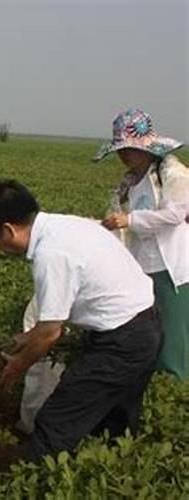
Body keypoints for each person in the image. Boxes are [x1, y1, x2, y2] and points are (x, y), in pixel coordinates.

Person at [0, 179, 161, 462]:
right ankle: (109, 470)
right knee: (115, 417)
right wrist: (23, 339)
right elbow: (50, 323)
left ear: (8, 230)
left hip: (122, 340)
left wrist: (19, 365)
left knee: (57, 420)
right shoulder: (64, 225)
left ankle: (30, 481)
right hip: (148, 323)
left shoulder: (51, 255)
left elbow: (50, 333)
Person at [95, 108, 189, 380]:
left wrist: (130, 220)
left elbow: (175, 214)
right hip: (142, 267)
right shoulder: (128, 181)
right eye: (121, 150)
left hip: (172, 268)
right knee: (149, 337)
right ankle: (151, 389)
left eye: (129, 148)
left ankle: (174, 392)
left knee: (174, 340)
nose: (124, 155)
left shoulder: (171, 172)